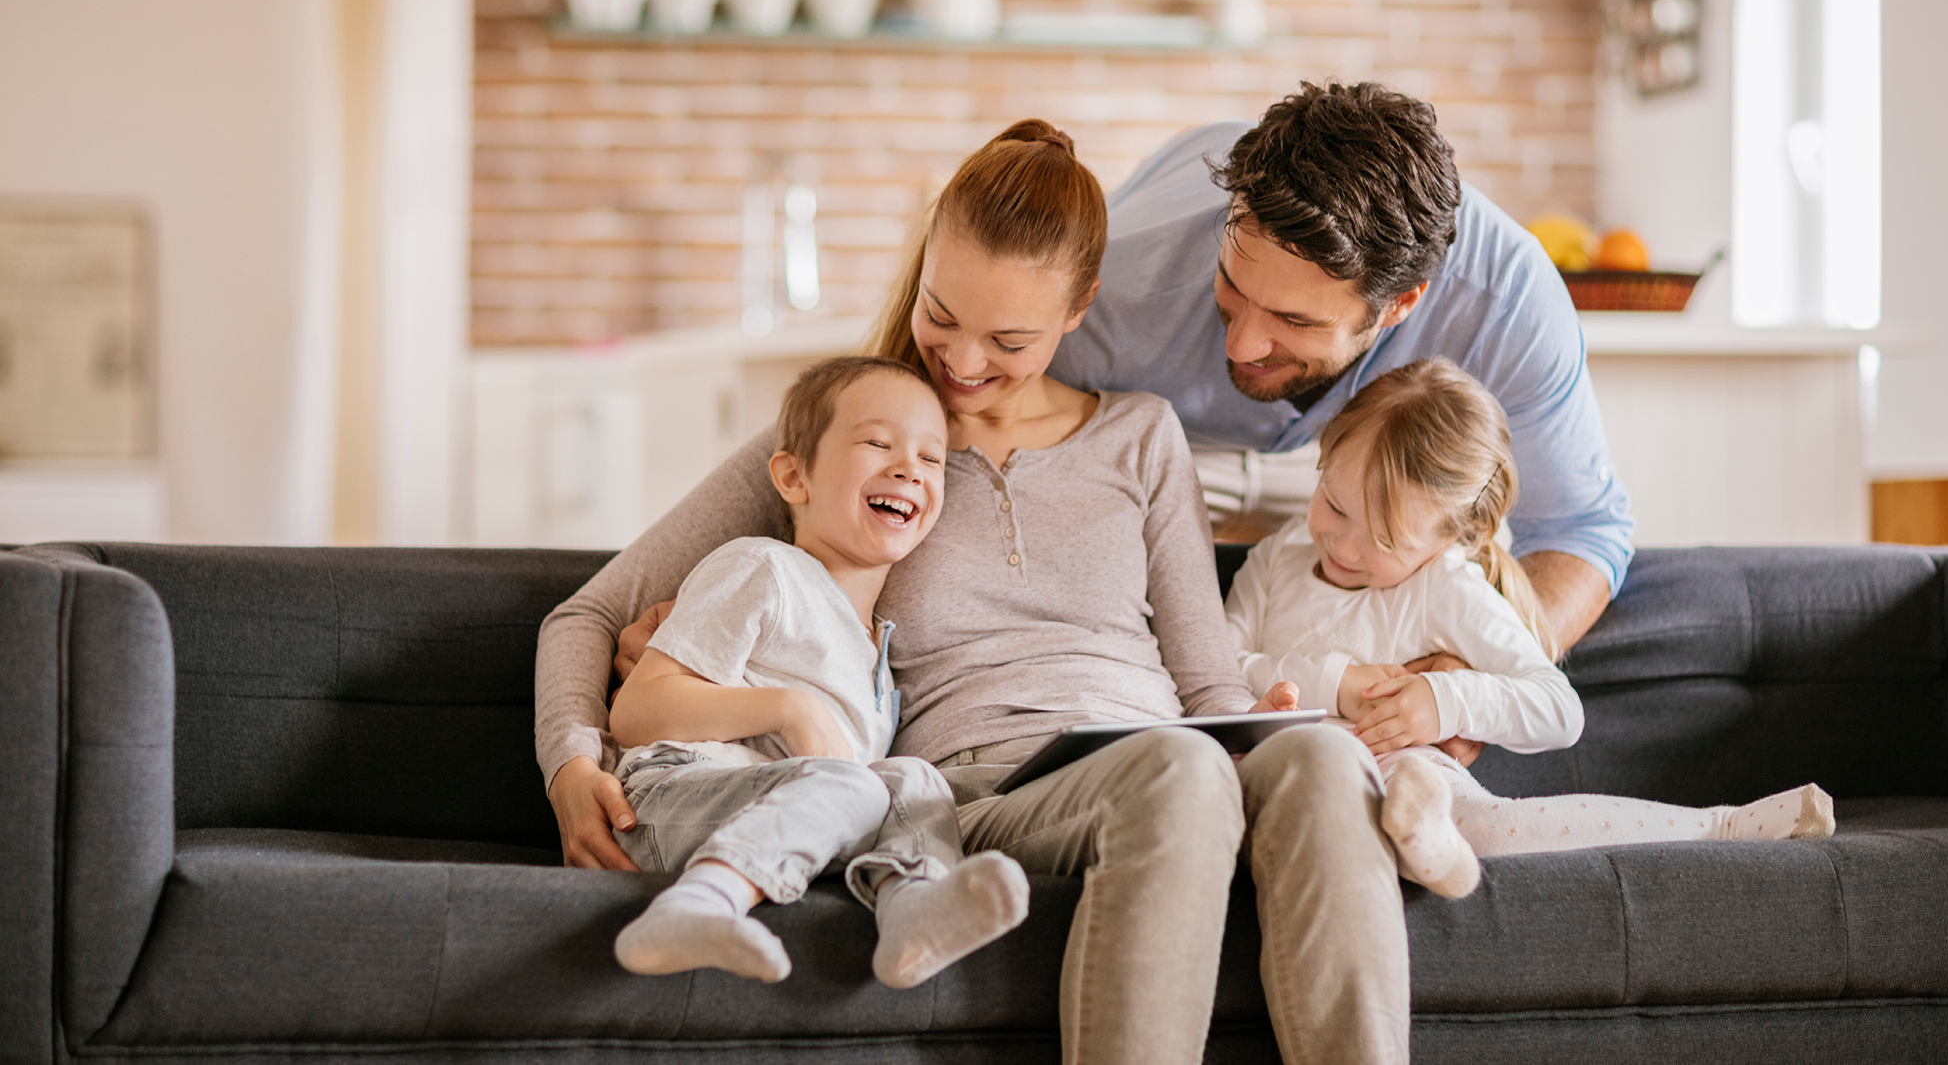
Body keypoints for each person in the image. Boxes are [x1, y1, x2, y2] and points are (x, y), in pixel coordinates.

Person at [536, 119, 1411, 1065]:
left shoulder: (1142, 437)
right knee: (1182, 771)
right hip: (987, 785)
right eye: (940, 314)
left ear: (1079, 309)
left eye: (1008, 338)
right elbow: (588, 610)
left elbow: (1205, 682)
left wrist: (1259, 719)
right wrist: (570, 764)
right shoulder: (861, 441)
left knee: (1321, 759)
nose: (959, 362)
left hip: (1161, 743)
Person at [1047, 81, 1636, 672]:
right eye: (1231, 286)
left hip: (1353, 473)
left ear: (1400, 304)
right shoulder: (1107, 295)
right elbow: (974, 386)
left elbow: (1581, 530)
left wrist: (1475, 683)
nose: (1241, 342)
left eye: (1294, 318)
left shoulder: (1508, 300)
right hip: (1165, 441)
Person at [1225, 357, 1834, 901]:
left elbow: (1556, 709)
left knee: (1484, 819)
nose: (1341, 541)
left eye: (1385, 539)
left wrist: (1445, 700)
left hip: (1403, 772)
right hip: (1292, 770)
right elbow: (1215, 663)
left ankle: (1720, 827)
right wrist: (1335, 684)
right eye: (1332, 503)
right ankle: (1424, 848)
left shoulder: (1445, 585)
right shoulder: (1280, 554)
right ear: (1323, 457)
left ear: (1450, 538)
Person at [605, 354, 1030, 988]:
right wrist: (788, 708)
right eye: (878, 443)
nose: (908, 467)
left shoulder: (877, 654)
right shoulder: (763, 569)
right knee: (857, 786)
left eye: (931, 458)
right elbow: (635, 712)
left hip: (790, 820)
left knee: (912, 778)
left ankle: (911, 910)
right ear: (794, 477)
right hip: (671, 799)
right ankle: (697, 903)